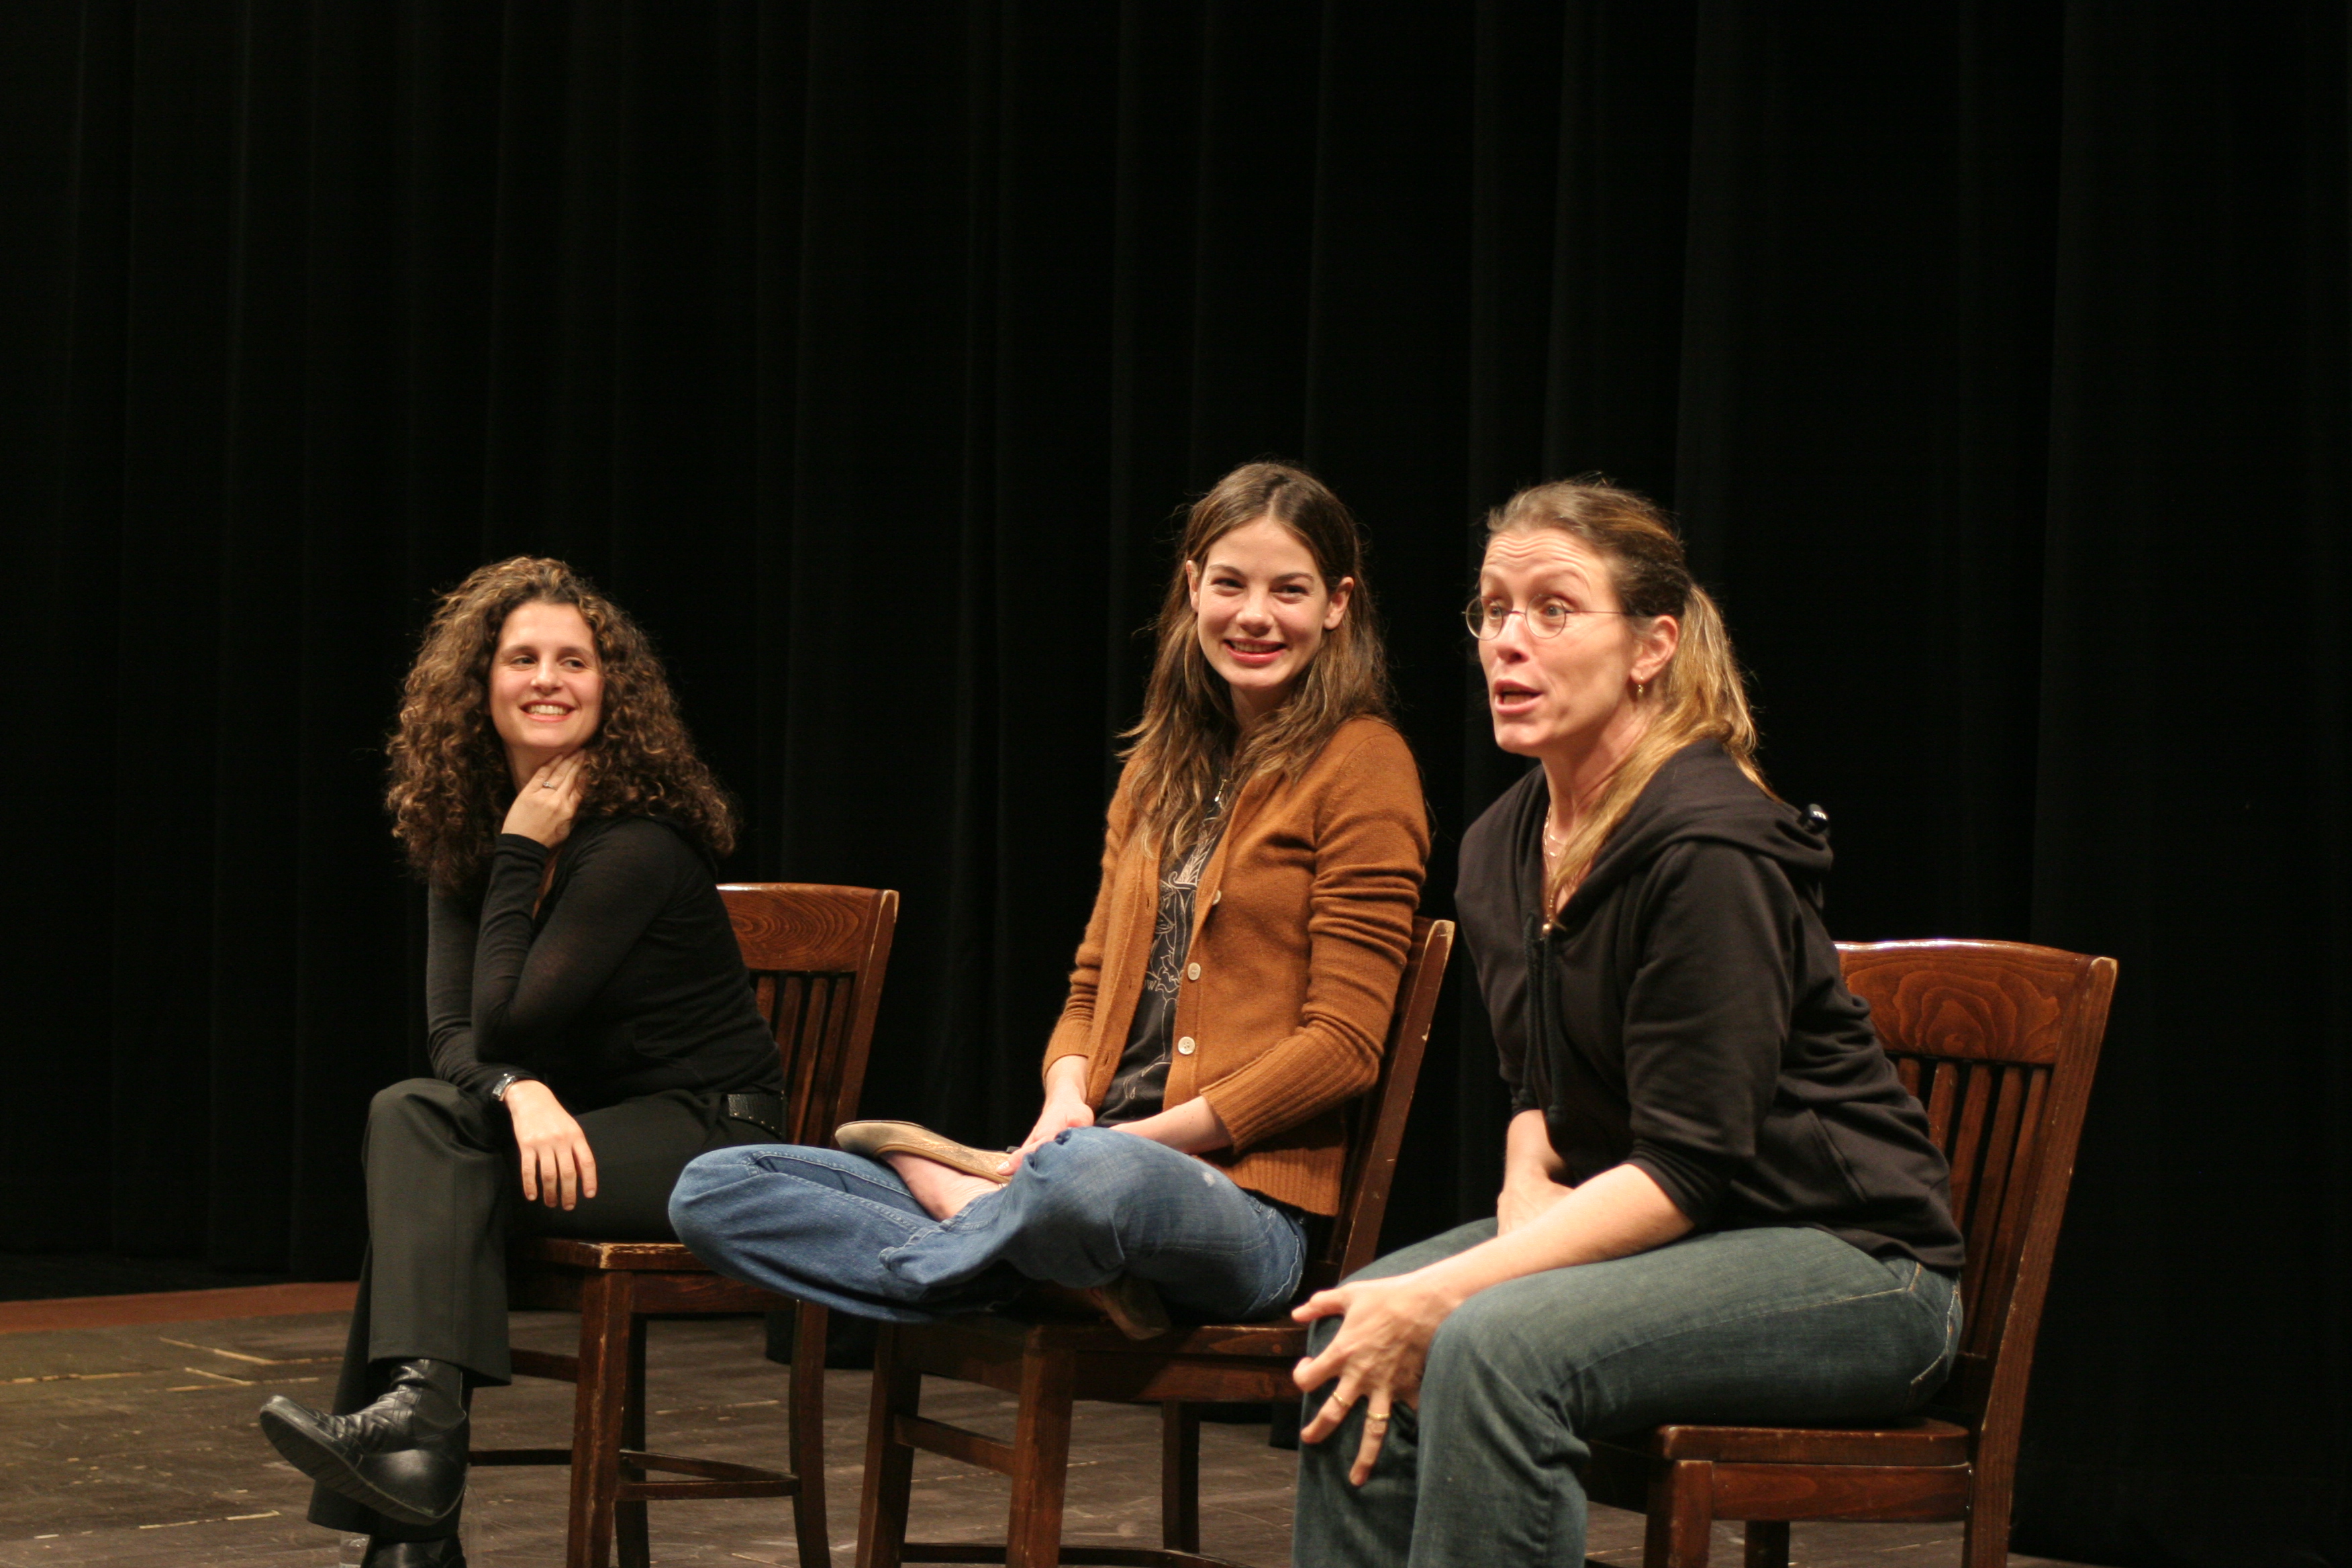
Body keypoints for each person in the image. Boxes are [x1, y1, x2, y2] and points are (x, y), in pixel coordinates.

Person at [1289, 479, 1965, 1567]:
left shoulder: (1708, 851)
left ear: (1652, 646)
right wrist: (1518, 1186)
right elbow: (1545, 1088)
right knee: (1353, 1321)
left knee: (1491, 1344)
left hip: (1853, 1266)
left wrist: (1463, 1284)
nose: (1510, 641)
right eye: (1493, 610)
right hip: (1685, 1236)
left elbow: (1691, 1168)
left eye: (1553, 609)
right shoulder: (1504, 846)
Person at [668, 461, 1428, 1338]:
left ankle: (985, 1224)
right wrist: (1067, 1103)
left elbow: (1343, 1049)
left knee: (1089, 1186)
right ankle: (1039, 1262)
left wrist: (1114, 1149)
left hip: (1237, 1211)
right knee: (716, 1187)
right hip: (1075, 1173)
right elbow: (1089, 989)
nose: (1254, 614)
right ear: (1192, 588)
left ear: (1337, 604)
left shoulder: (1365, 763)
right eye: (1230, 583)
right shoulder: (1158, 772)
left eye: (1288, 590)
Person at [258, 558, 787, 1568]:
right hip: (579, 1133)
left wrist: (519, 853)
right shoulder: (468, 836)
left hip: (714, 1138)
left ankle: (411, 1522)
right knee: (417, 1118)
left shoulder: (634, 845)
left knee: (433, 1169)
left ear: (610, 689)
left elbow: (501, 1018)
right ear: (480, 686)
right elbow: (455, 1046)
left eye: (575, 661)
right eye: (523, 658)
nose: (548, 679)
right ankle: (416, 1462)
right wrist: (518, 1094)